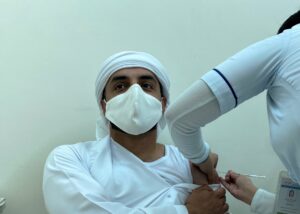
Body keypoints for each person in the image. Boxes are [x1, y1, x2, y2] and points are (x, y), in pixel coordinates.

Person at [43, 51, 228, 214]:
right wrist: (187, 210)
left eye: (146, 85)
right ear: (104, 105)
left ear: (163, 104)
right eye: (120, 86)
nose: (135, 94)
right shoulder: (71, 158)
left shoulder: (190, 163)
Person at [165, 10, 300, 214]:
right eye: (121, 86)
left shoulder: (290, 41)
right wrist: (256, 198)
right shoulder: (97, 160)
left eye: (147, 85)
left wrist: (204, 162)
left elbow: (180, 119)